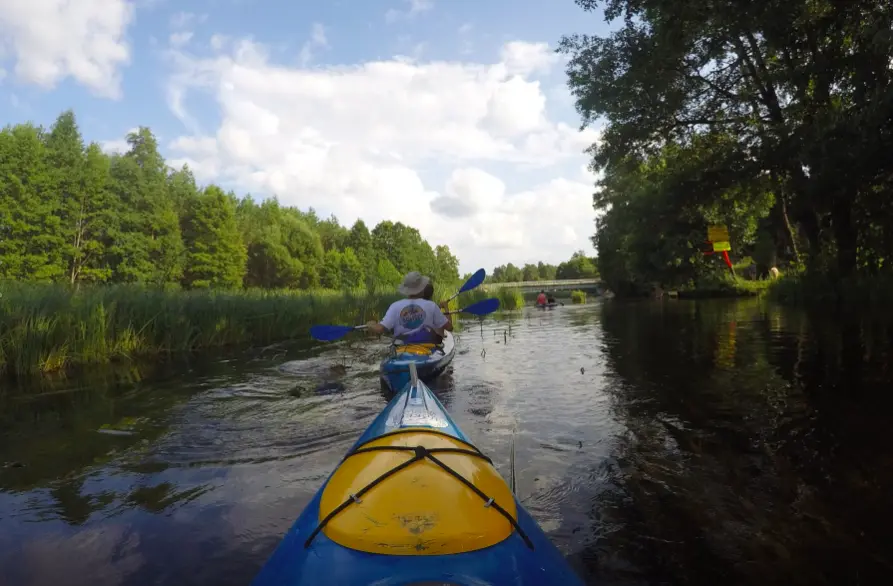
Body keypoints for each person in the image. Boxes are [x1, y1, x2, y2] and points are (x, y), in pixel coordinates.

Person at [366, 271, 452, 344]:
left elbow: (380, 329)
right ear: (422, 288)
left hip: (401, 348)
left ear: (406, 289)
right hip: (426, 348)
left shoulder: (395, 306)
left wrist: (371, 325)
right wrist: (446, 309)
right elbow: (449, 328)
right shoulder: (432, 305)